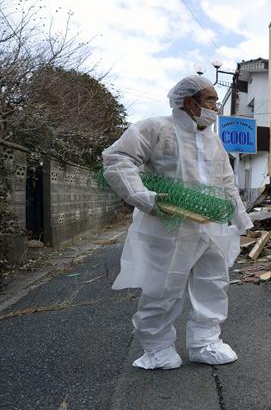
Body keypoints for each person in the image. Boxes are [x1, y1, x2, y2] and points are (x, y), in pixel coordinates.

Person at [102, 75, 252, 370]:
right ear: (189, 101)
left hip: (210, 225)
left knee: (213, 282)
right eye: (210, 100)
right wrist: (145, 198)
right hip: (168, 224)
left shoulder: (212, 139)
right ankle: (156, 348)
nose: (215, 107)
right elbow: (117, 158)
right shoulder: (156, 128)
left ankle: (205, 342)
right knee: (163, 286)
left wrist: (240, 220)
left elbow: (226, 182)